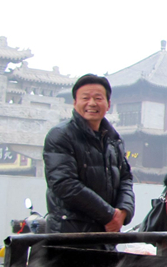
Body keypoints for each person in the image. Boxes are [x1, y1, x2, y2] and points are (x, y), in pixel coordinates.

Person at [43, 74, 135, 233]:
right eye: (85, 98)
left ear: (108, 104)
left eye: (98, 98)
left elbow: (125, 178)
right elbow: (64, 184)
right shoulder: (61, 135)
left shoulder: (113, 139)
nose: (92, 103)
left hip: (105, 234)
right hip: (69, 235)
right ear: (74, 103)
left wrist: (123, 211)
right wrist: (109, 215)